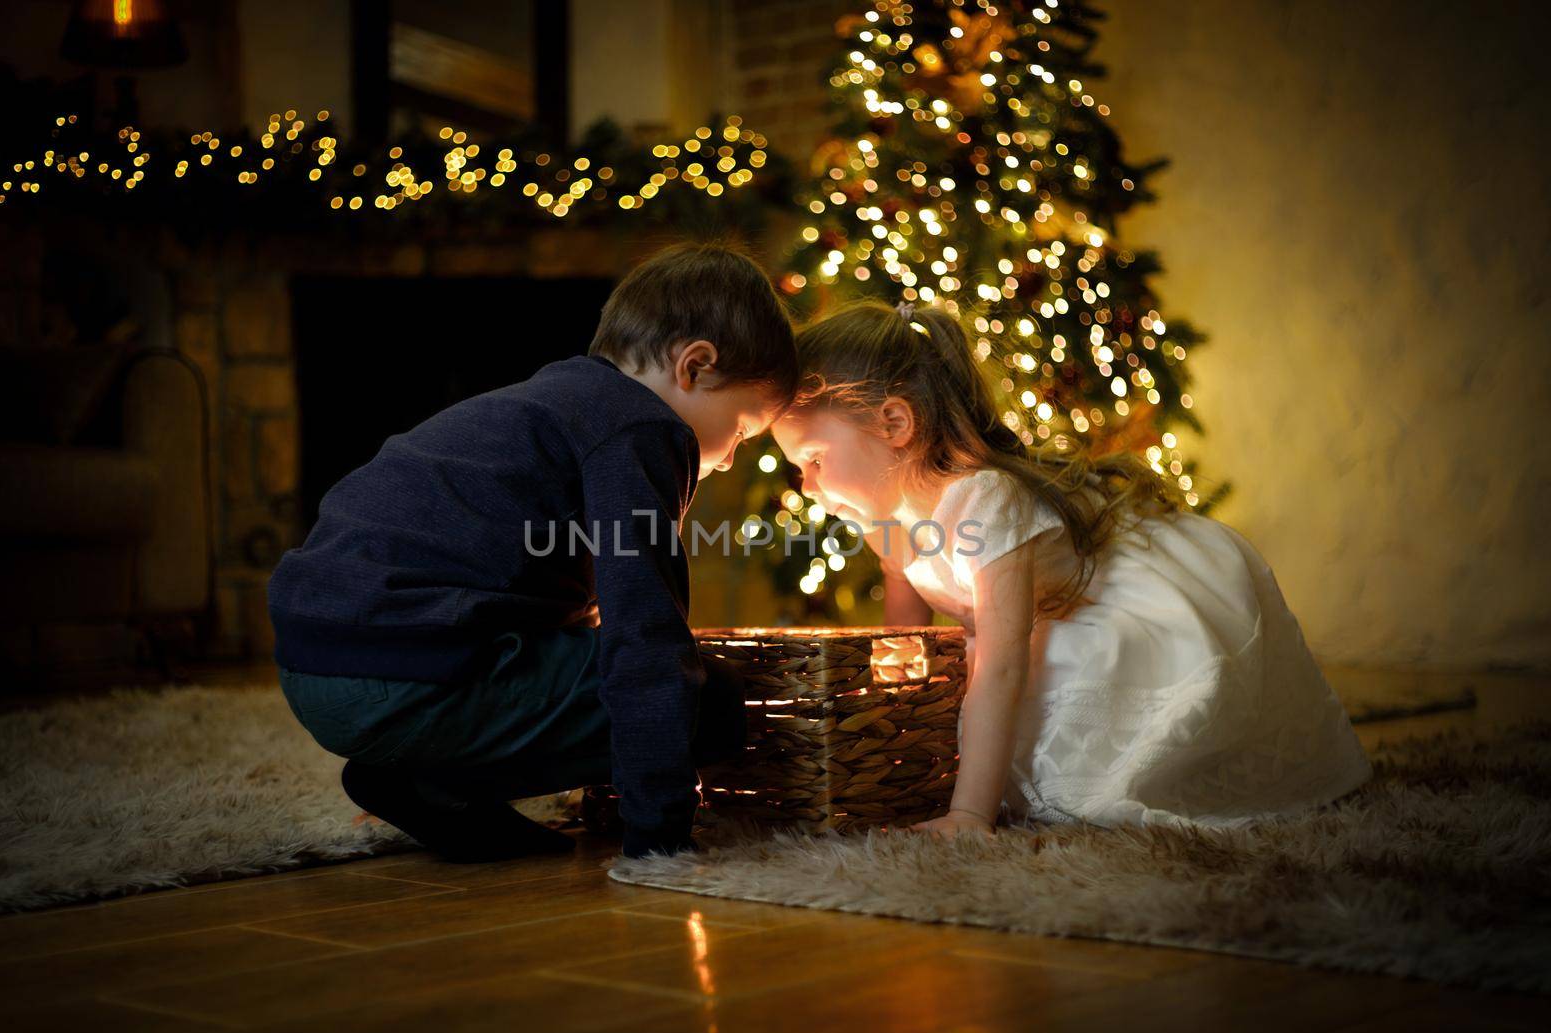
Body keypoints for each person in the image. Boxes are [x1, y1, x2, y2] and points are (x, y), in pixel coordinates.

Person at [267, 243, 797, 862]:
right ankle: (430, 777)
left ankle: (423, 785)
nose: (730, 457)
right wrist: (661, 831)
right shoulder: (643, 428)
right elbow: (645, 634)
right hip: (404, 672)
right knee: (715, 699)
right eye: (740, 429)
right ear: (695, 367)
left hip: (314, 661)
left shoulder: (555, 401)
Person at [772, 300, 1370, 838]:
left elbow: (1004, 661)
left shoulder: (984, 500)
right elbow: (903, 648)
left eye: (815, 459)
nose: (808, 484)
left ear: (894, 424)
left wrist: (969, 814)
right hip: (1029, 626)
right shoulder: (885, 519)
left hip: (1108, 607)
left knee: (1069, 745)